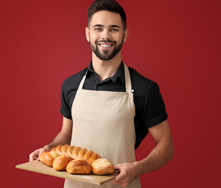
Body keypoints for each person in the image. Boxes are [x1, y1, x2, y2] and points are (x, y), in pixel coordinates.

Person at [29, 0, 174, 187]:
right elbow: (67, 133)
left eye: (114, 29)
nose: (105, 36)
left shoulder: (144, 88)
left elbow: (166, 144)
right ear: (88, 34)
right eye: (98, 28)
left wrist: (137, 168)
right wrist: (48, 149)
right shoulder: (71, 85)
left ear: (125, 35)